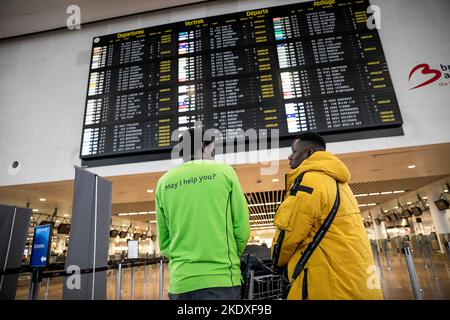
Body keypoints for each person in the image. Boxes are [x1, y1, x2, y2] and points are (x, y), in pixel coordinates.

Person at [271, 132, 383, 300]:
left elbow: (289, 233)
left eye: (294, 151)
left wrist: (275, 261)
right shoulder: (340, 184)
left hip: (327, 284)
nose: (289, 156)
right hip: (356, 282)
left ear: (308, 153)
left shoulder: (310, 181)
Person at [156, 128, 250, 300]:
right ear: (203, 147)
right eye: (212, 150)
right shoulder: (224, 172)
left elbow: (164, 241)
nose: (213, 156)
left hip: (180, 282)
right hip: (220, 279)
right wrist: (228, 257)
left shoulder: (163, 183)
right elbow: (242, 229)